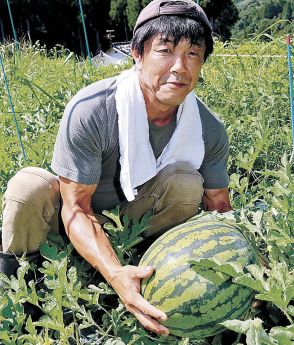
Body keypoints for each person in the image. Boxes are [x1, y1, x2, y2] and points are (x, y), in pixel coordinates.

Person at [1, 0, 232, 336]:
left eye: (193, 54)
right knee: (27, 187)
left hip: (134, 224)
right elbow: (76, 209)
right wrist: (113, 273)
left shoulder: (208, 129)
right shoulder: (94, 110)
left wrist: (245, 271)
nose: (180, 67)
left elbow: (220, 208)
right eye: (165, 50)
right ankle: (23, 293)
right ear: (137, 54)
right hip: (71, 226)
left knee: (185, 182)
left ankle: (144, 272)